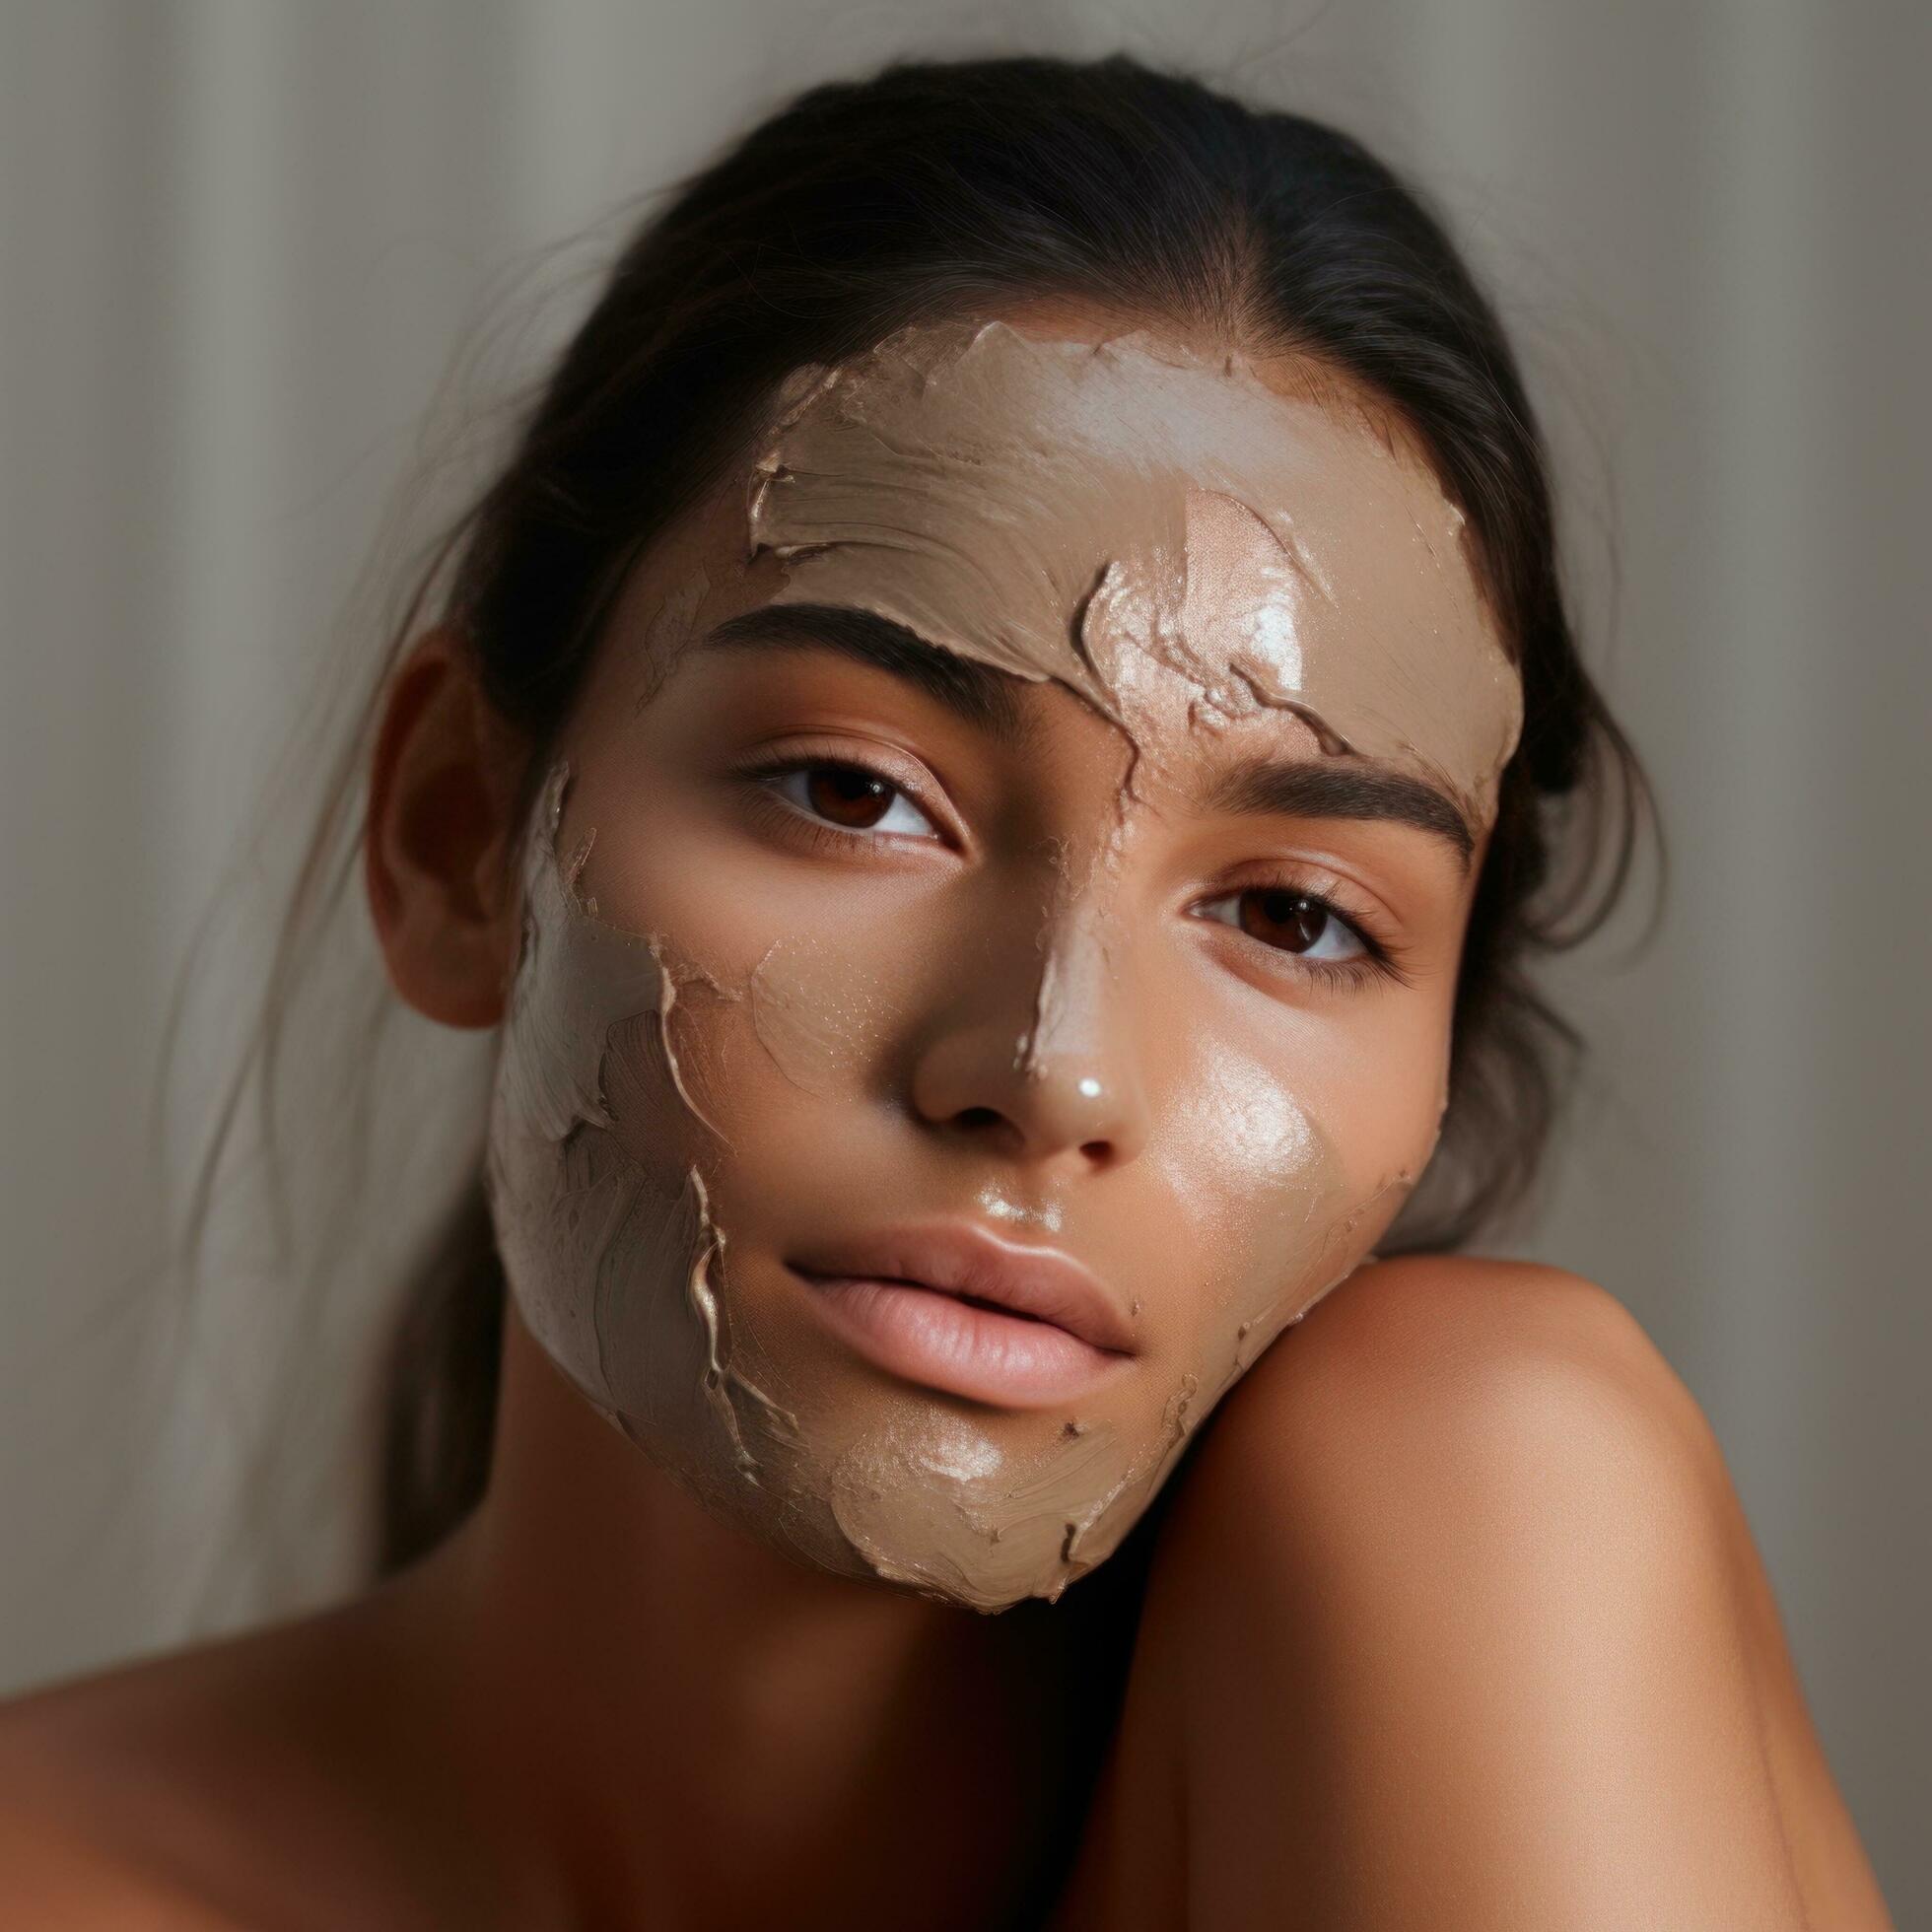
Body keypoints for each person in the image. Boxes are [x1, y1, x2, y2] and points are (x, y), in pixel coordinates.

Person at [0, 52, 1890, 1931]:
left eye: (1298, 919)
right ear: (455, 838)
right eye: (855, 794)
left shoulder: (1488, 1495)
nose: (1053, 1071)